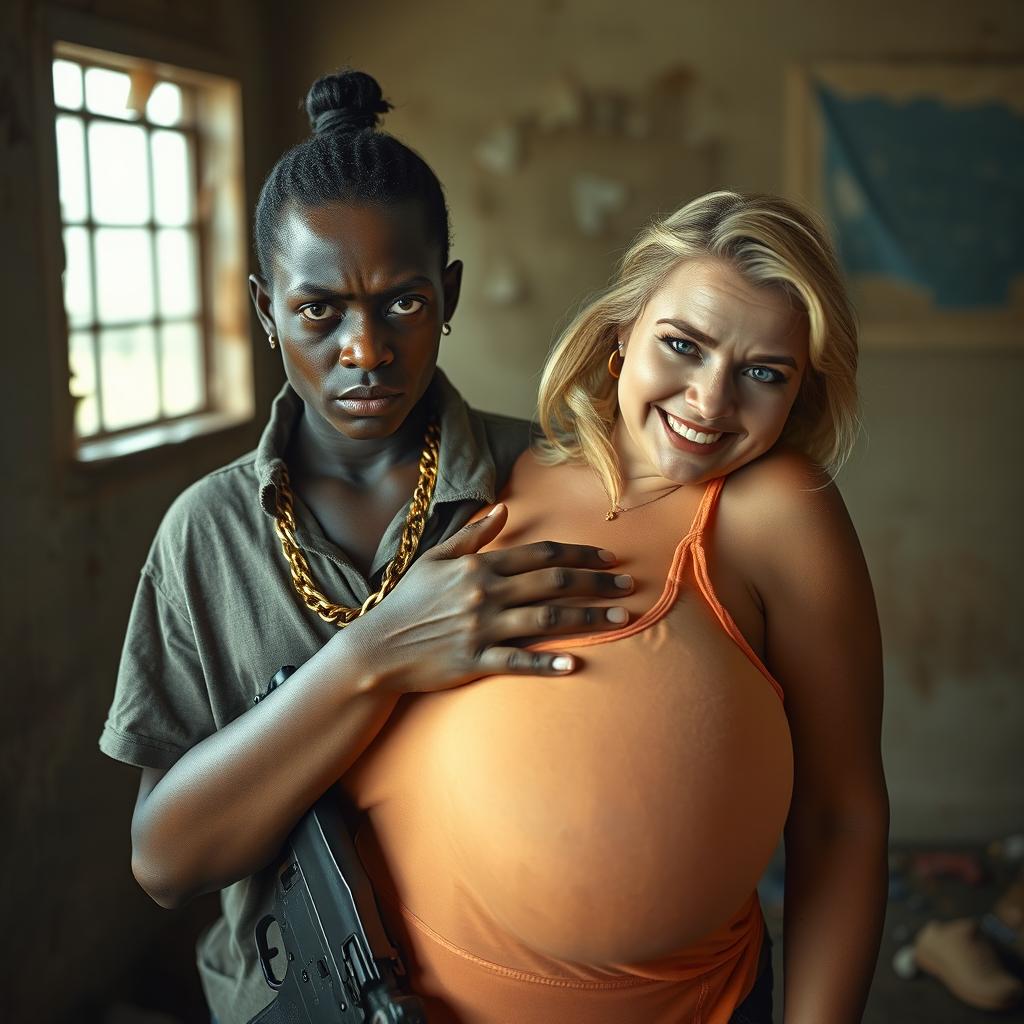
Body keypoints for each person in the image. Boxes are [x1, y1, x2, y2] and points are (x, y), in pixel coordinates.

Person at [99, 70, 635, 1024]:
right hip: (290, 1000)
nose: (366, 350)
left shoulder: (549, 481)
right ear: (265, 308)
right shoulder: (207, 533)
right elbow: (167, 862)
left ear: (449, 294)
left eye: (403, 303)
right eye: (319, 311)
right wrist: (372, 656)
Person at [338, 192, 889, 1023]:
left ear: (798, 391)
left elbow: (841, 817)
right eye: (683, 345)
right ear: (622, 331)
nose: (710, 401)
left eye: (763, 373)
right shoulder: (494, 477)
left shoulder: (777, 510)